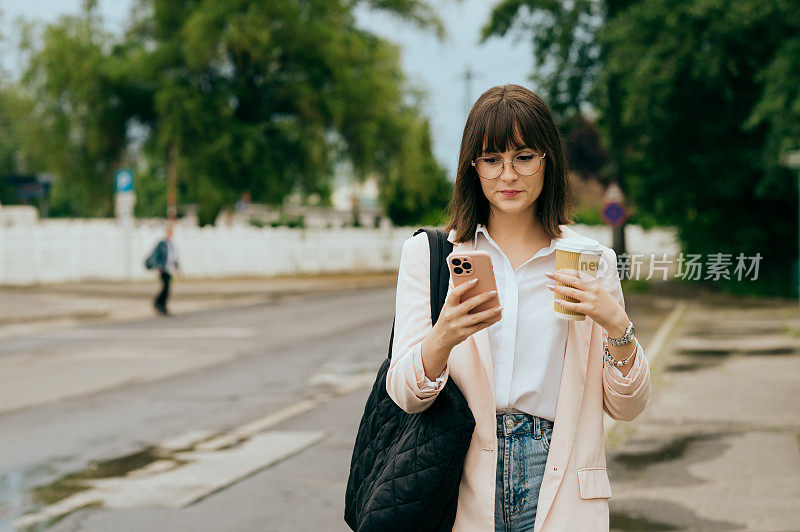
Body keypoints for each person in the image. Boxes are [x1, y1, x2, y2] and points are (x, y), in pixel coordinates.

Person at [386, 84, 651, 531]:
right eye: (492, 159)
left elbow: (628, 407)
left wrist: (617, 326)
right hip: (462, 470)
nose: (508, 175)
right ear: (473, 167)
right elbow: (405, 394)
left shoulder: (591, 261)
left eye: (524, 157)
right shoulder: (430, 256)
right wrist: (444, 336)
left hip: (560, 472)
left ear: (548, 161)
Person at [150, 225, 179, 316]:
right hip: (164, 269)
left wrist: (177, 267)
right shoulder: (162, 244)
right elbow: (158, 255)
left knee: (166, 288)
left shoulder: (171, 244)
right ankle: (159, 304)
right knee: (166, 288)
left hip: (170, 269)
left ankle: (159, 303)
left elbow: (174, 257)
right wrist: (159, 266)